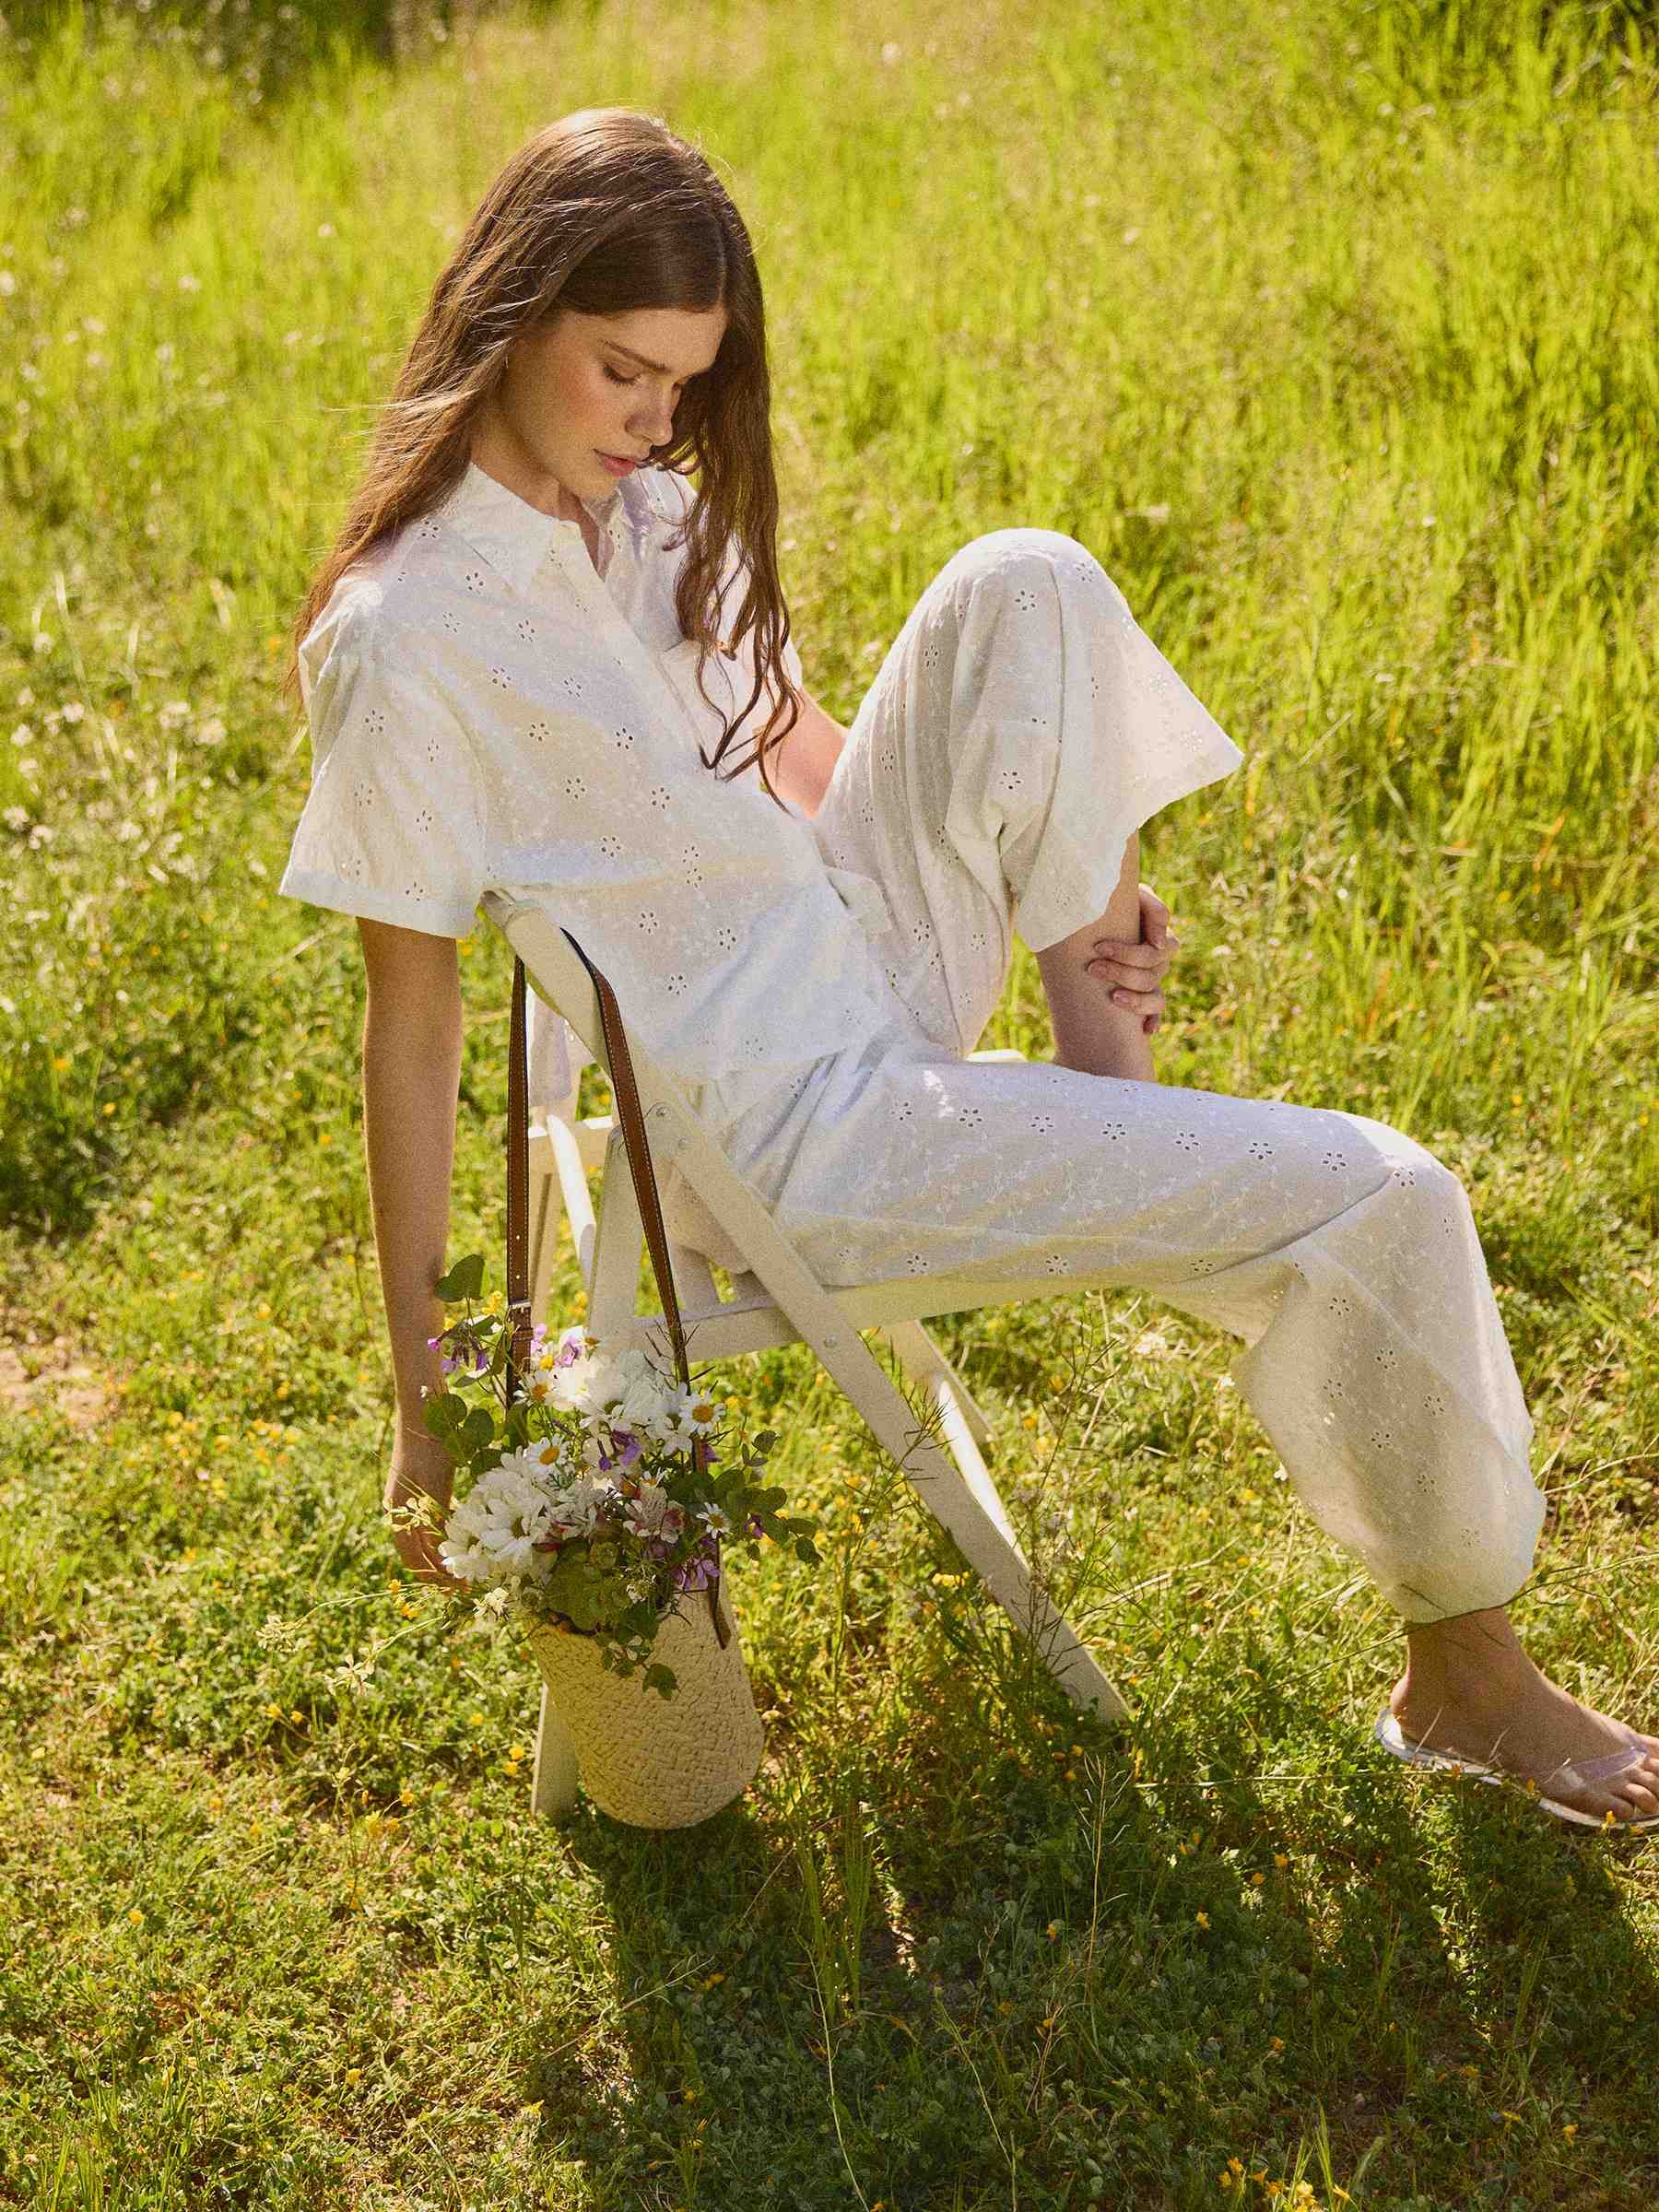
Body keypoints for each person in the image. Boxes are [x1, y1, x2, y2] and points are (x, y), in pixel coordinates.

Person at [276, 106, 1659, 1831]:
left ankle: (1114, 1092)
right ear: (510, 312)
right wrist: (426, 1408)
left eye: (685, 385)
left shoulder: (637, 514)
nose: (657, 423)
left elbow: (784, 741)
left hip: (850, 956)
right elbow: (405, 1032)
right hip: (792, 1138)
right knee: (1390, 1196)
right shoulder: (413, 639)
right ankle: (1469, 1679)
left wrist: (1031, 847)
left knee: (1026, 578)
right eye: (625, 373)